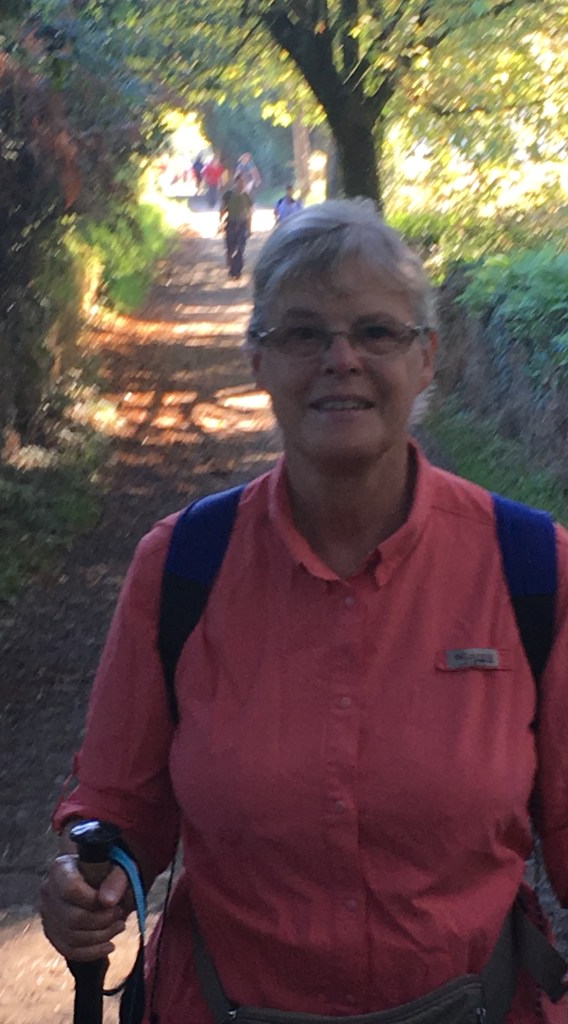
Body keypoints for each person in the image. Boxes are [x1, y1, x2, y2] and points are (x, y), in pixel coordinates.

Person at [40, 200, 568, 1024]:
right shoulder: (180, 567)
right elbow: (120, 808)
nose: (340, 359)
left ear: (427, 356)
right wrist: (84, 882)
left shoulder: (532, 570)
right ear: (259, 360)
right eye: (302, 334)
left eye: (376, 332)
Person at [218, 173, 253, 279]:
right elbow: (222, 209)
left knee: (240, 248)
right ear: (235, 182)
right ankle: (232, 266)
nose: (242, 184)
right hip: (231, 224)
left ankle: (237, 271)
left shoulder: (246, 196)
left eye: (243, 182)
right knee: (231, 248)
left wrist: (249, 228)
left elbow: (249, 213)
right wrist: (221, 223)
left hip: (242, 225)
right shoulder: (228, 195)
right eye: (240, 181)